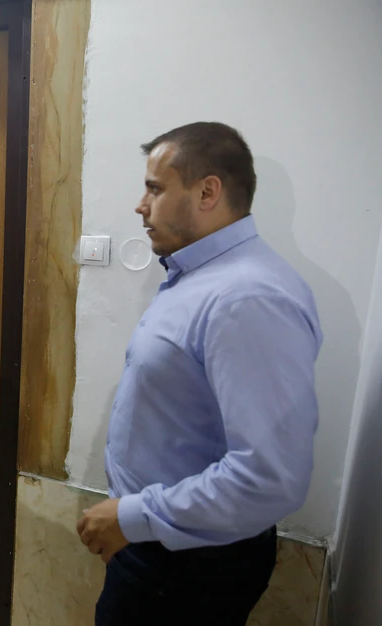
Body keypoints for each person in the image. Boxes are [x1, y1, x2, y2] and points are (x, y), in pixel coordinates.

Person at [76, 122, 323, 625]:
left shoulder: (246, 298)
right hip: (158, 548)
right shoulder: (199, 278)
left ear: (208, 192)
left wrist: (133, 516)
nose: (140, 205)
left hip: (187, 567)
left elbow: (268, 479)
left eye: (155, 188)